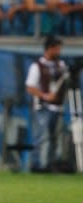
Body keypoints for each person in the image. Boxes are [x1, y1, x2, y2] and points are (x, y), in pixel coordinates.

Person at [25, 35, 68, 172]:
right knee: (41, 136)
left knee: (55, 137)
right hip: (42, 106)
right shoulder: (37, 66)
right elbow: (30, 87)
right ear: (49, 48)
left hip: (58, 106)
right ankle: (37, 165)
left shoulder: (61, 66)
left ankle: (51, 164)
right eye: (57, 49)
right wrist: (44, 96)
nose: (59, 52)